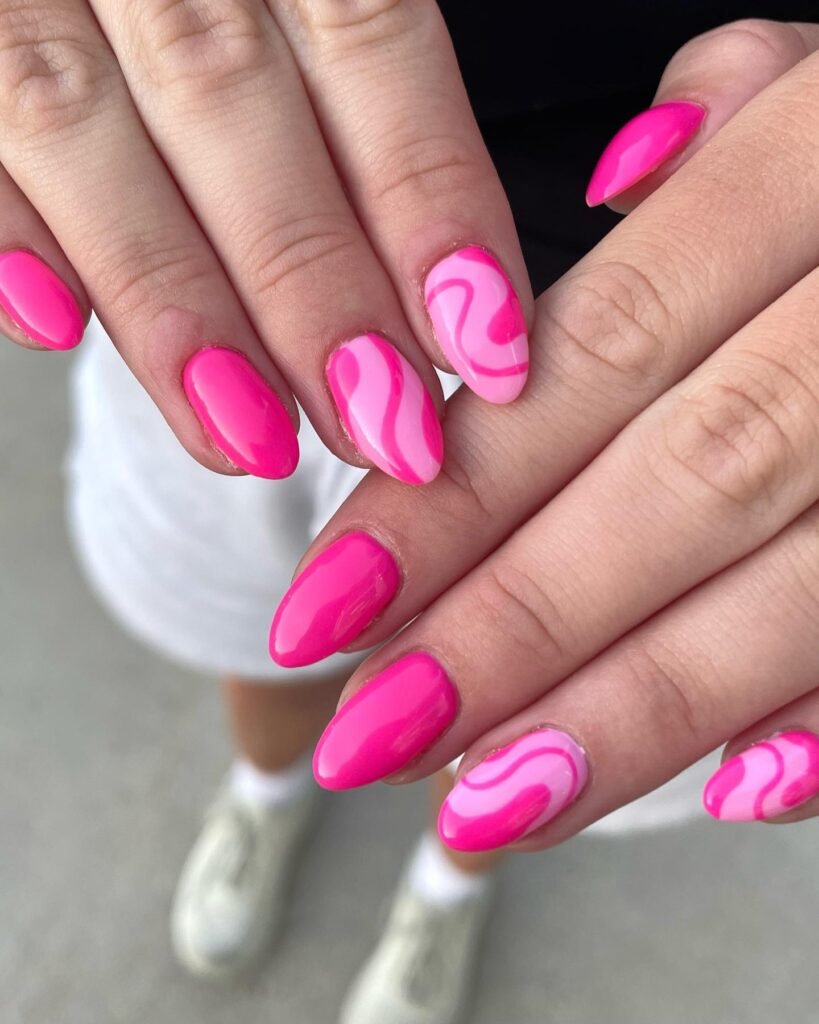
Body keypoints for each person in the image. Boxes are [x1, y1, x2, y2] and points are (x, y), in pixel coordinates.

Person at [3, 3, 819, 1022]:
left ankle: (447, 883)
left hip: (736, 316)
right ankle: (267, 792)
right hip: (215, 216)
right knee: (259, 629)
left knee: (518, 714)